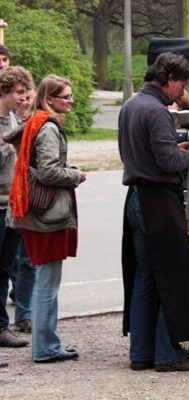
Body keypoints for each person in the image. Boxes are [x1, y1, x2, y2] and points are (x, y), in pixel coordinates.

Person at [118, 52, 189, 372]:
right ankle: (167, 354)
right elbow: (168, 164)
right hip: (158, 201)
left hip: (135, 198)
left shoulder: (130, 105)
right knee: (170, 277)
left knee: (145, 276)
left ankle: (141, 353)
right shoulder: (157, 111)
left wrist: (175, 149)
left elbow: (143, 153)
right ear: (169, 78)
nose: (180, 92)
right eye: (181, 84)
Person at [6, 75, 86, 363]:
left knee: (44, 277)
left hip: (34, 211)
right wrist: (76, 175)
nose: (70, 101)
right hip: (48, 213)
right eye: (65, 96)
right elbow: (50, 171)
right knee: (47, 281)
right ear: (49, 98)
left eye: (71, 96)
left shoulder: (35, 121)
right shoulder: (48, 127)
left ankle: (48, 343)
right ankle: (45, 347)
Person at [0, 66, 34, 349]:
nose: (24, 98)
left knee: (4, 269)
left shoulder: (12, 119)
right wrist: (11, 145)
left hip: (12, 205)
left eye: (26, 92)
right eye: (19, 92)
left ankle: (1, 327)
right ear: (5, 91)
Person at [8, 88, 37, 333]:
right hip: (8, 199)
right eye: (21, 96)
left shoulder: (35, 123)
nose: (24, 102)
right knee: (11, 261)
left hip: (26, 199)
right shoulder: (9, 122)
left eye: (29, 97)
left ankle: (25, 313)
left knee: (27, 261)